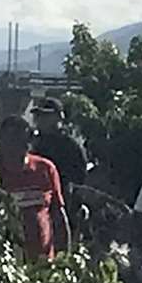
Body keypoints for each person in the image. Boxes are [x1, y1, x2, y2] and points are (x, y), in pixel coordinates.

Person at [0, 113, 68, 263]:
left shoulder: (45, 169)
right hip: (7, 263)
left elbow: (58, 215)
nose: (15, 147)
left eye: (20, 140)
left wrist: (64, 257)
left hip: (44, 261)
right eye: (10, 140)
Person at [30, 98, 92, 246]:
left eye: (46, 115)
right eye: (39, 115)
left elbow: (79, 180)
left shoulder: (69, 146)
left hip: (63, 205)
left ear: (59, 117)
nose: (40, 119)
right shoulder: (32, 143)